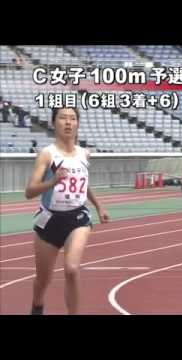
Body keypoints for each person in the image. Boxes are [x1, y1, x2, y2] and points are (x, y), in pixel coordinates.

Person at [25, 107, 109, 315]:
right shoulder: (47, 155)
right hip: (49, 220)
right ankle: (37, 305)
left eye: (73, 118)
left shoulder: (84, 154)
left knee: (71, 269)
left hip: (77, 217)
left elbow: (83, 184)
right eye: (63, 118)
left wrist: (98, 206)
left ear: (78, 124)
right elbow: (29, 191)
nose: (68, 123)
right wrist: (52, 181)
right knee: (43, 281)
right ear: (54, 123)